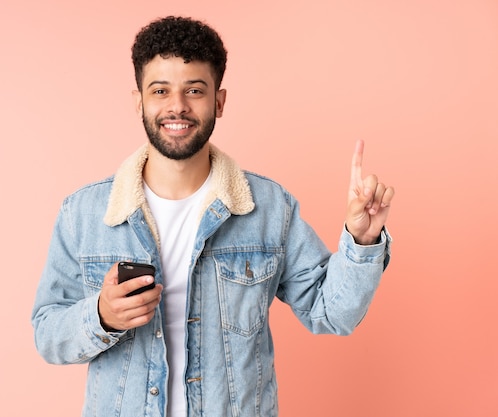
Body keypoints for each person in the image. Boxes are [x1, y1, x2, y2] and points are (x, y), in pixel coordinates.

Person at [31, 15, 394, 417]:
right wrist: (102, 316)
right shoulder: (84, 213)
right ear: (139, 102)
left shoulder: (269, 208)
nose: (177, 106)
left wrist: (362, 241)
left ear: (219, 102)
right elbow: (47, 334)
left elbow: (332, 314)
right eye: (160, 90)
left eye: (194, 90)